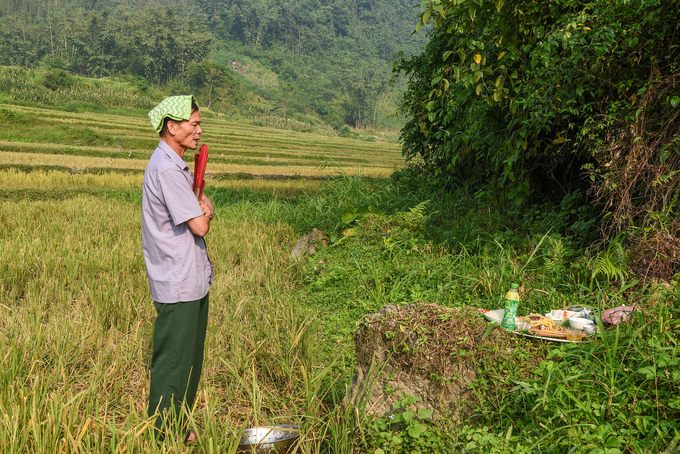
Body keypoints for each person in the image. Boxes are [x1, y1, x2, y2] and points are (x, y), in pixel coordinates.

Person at [142, 95, 214, 443]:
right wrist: (207, 210)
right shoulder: (169, 169)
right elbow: (199, 226)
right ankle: (162, 434)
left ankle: (177, 428)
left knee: (187, 359)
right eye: (194, 124)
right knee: (174, 360)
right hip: (179, 280)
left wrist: (200, 206)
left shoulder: (172, 163)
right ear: (173, 127)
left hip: (189, 278)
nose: (199, 130)